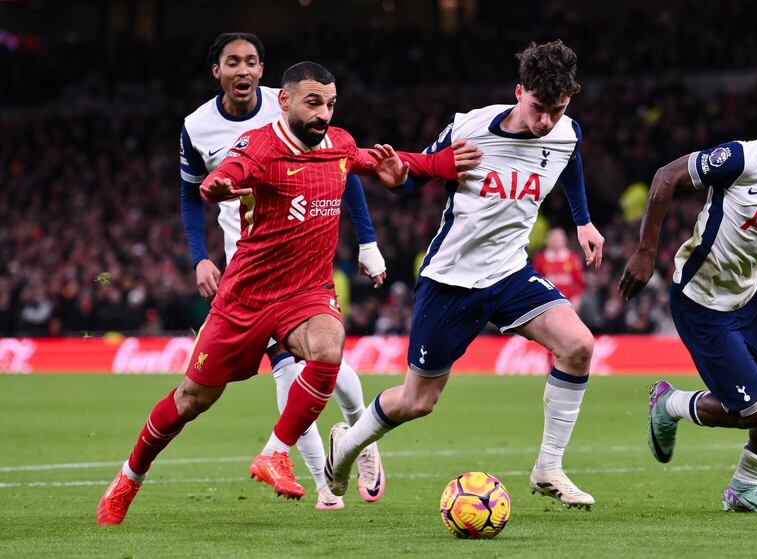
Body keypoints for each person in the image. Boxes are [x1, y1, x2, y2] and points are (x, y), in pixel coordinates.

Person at [97, 60, 477, 525]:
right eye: (313, 103)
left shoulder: (337, 144)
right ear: (286, 100)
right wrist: (220, 183)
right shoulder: (259, 148)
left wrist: (433, 164)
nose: (324, 114)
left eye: (331, 104)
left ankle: (276, 454)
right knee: (190, 401)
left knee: (327, 348)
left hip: (305, 293)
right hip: (246, 298)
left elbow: (384, 163)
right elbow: (231, 170)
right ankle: (128, 478)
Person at [325, 40, 605, 510]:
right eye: (538, 108)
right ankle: (348, 444)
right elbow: (416, 176)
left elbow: (570, 158)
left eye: (556, 111)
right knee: (418, 401)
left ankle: (548, 467)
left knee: (578, 345)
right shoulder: (471, 128)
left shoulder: (565, 132)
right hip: (451, 281)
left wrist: (582, 220)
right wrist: (398, 177)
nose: (544, 122)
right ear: (520, 91)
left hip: (511, 272)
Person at [179, 32, 386, 510]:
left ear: (263, 70)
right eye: (234, 62)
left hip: (302, 257)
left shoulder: (292, 104)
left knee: (310, 363)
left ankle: (360, 438)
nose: (245, 70)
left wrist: (368, 241)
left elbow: (342, 164)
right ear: (218, 71)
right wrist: (200, 255)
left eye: (252, 61)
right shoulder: (196, 126)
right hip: (248, 267)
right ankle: (326, 481)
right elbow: (191, 194)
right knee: (288, 371)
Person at [618, 66, 757, 513]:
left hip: (750, 294)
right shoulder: (740, 158)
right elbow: (664, 178)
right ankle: (671, 403)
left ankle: (744, 489)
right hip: (701, 298)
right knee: (754, 412)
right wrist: (645, 252)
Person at [533, 228, 586, 310]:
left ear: (564, 240)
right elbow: (535, 283)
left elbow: (579, 282)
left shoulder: (573, 258)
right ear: (547, 240)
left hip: (569, 303)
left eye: (558, 239)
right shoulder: (540, 260)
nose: (555, 241)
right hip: (547, 304)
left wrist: (576, 299)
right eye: (553, 238)